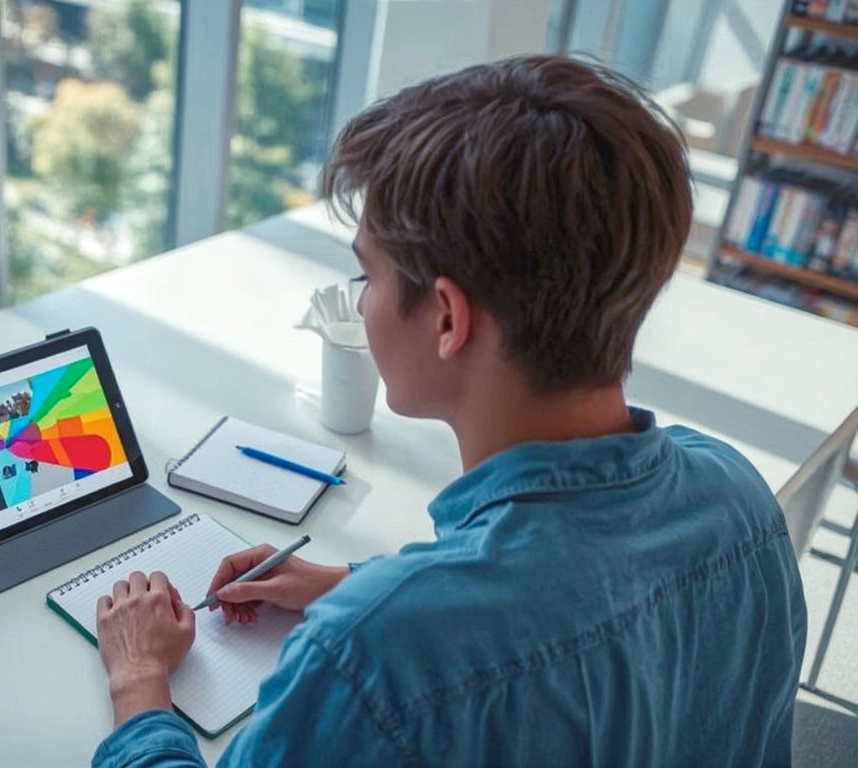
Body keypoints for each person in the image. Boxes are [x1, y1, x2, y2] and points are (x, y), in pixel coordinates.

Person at [90, 55, 806, 767]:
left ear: (446, 319)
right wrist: (355, 585)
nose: (363, 301)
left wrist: (138, 677)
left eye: (366, 276)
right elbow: (585, 592)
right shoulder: (735, 492)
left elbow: (482, 633)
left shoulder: (374, 658)